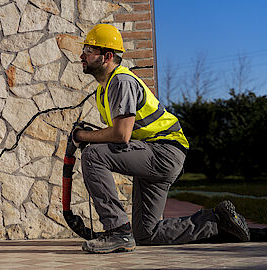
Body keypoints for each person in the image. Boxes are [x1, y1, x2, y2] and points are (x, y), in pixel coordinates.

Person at [72, 24, 250, 254]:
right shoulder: (104, 89)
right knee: (146, 233)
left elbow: (121, 135)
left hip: (163, 152)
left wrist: (82, 136)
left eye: (88, 49)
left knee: (93, 155)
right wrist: (91, 135)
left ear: (106, 56)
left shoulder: (121, 81)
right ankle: (217, 222)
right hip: (155, 152)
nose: (81, 55)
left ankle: (117, 232)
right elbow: (120, 132)